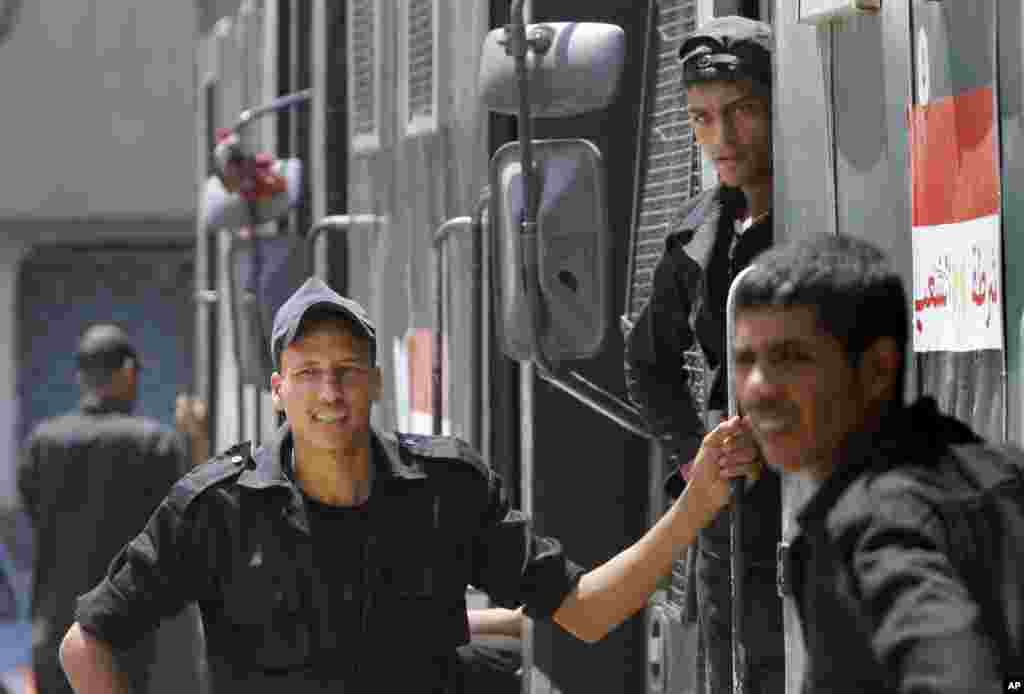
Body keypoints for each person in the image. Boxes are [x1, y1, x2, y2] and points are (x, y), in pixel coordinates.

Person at [58, 277, 759, 694]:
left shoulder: (445, 489)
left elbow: (586, 612)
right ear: (277, 391)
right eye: (308, 373)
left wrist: (697, 502)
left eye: (347, 371)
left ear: (375, 382)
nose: (329, 392)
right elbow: (86, 643)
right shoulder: (216, 508)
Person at [727, 233, 1007, 691]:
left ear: (877, 368)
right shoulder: (987, 472)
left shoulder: (876, 525)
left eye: (790, 357)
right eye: (745, 360)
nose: (757, 387)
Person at [623, 15, 782, 694]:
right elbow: (647, 363)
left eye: (742, 111)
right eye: (702, 118)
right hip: (733, 527)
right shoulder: (697, 234)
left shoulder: (820, 209)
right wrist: (699, 461)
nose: (723, 137)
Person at [17, 326, 190, 694]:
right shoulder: (155, 444)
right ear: (128, 372)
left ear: (81, 377)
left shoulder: (41, 444)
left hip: (55, 625)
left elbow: (29, 513)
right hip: (125, 626)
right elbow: (183, 527)